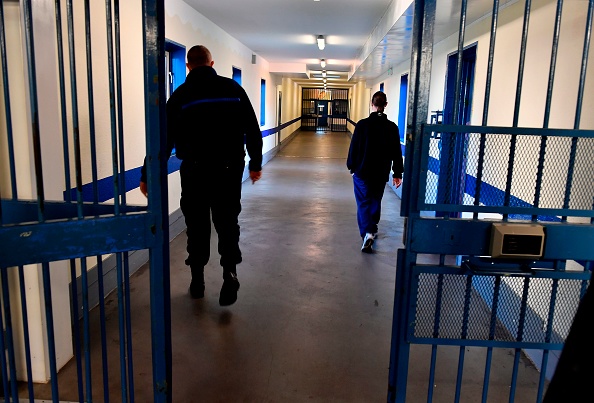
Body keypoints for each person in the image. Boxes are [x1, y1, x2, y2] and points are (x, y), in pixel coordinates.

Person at [140, 45, 263, 306]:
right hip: (229, 169)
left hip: (195, 170)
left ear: (187, 66)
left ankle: (197, 279)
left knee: (197, 225)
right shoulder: (233, 89)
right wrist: (255, 163)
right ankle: (230, 273)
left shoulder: (181, 95)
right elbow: (252, 128)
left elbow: (162, 139)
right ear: (211, 62)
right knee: (227, 222)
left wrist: (147, 174)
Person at [346, 91, 403, 253]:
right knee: (375, 199)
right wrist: (397, 173)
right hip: (381, 173)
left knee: (363, 201)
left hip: (362, 171)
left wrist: (351, 167)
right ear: (385, 105)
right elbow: (396, 152)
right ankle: (373, 227)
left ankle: (368, 233)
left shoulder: (362, 125)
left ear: (372, 104)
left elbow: (354, 148)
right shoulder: (392, 127)